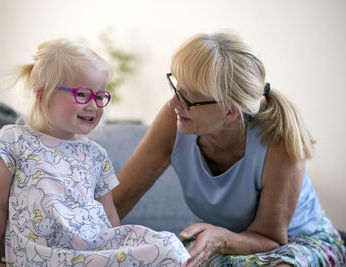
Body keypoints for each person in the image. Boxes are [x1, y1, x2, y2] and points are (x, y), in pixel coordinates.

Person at [113, 32, 346, 267]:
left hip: (295, 243)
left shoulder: (278, 141)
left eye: (188, 98)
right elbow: (117, 202)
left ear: (230, 112)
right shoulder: (174, 119)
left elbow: (271, 238)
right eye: (177, 89)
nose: (174, 104)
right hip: (221, 244)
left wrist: (220, 239)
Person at [0, 38, 190, 267]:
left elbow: (110, 217)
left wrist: (120, 253)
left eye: (99, 97)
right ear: (42, 96)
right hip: (45, 259)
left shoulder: (95, 154)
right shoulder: (13, 140)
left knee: (169, 245)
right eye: (82, 95)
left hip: (93, 253)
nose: (93, 106)